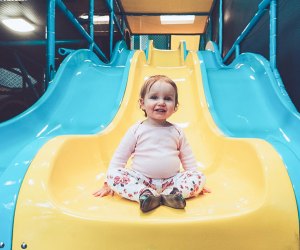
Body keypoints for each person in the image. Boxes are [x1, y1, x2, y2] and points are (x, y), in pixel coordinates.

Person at [93, 75, 207, 213]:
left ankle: (173, 195)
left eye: (168, 98)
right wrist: (107, 183)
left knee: (199, 176)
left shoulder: (177, 131)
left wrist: (196, 184)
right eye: (154, 97)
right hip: (142, 180)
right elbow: (119, 157)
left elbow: (188, 158)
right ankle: (144, 195)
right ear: (142, 103)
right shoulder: (136, 130)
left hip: (171, 181)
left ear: (175, 107)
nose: (161, 102)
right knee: (113, 175)